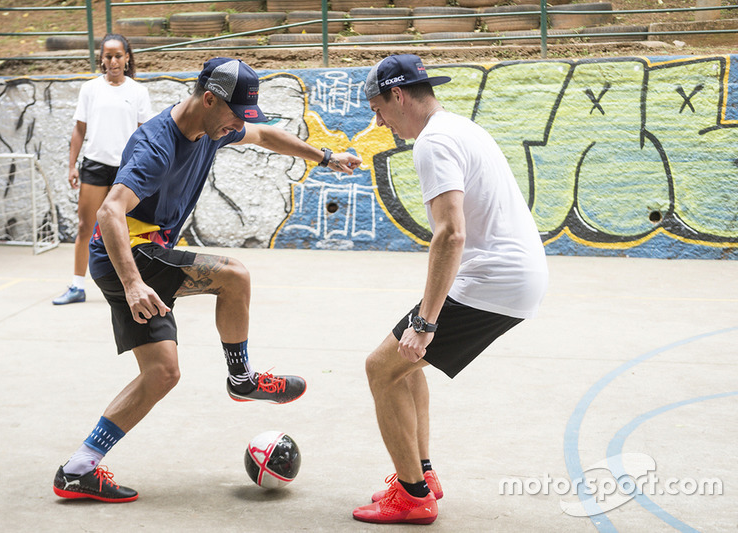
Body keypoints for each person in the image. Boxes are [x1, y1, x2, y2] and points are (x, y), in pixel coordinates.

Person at [52, 57, 362, 503]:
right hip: (130, 254)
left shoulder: (213, 125)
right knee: (233, 276)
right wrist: (136, 284)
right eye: (235, 114)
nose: (239, 125)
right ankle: (242, 378)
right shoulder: (156, 146)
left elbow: (265, 135)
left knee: (162, 373)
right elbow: (109, 211)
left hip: (138, 254)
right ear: (210, 98)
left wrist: (325, 157)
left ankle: (77, 469)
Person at [352, 54, 548, 525]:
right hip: (508, 275)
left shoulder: (432, 143)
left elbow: (450, 234)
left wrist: (425, 322)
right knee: (405, 362)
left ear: (398, 96)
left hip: (494, 279)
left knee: (382, 369)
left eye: (378, 108)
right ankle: (420, 474)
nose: (378, 120)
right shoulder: (457, 126)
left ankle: (414, 497)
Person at [53, 34, 152, 305]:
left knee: (128, 228)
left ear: (127, 57)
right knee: (86, 226)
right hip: (95, 166)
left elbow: (145, 134)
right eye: (108, 56)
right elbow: (79, 129)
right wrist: (72, 165)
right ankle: (77, 286)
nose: (113, 61)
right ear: (101, 59)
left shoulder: (138, 92)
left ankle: (134, 285)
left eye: (118, 55)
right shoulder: (90, 89)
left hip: (126, 170)